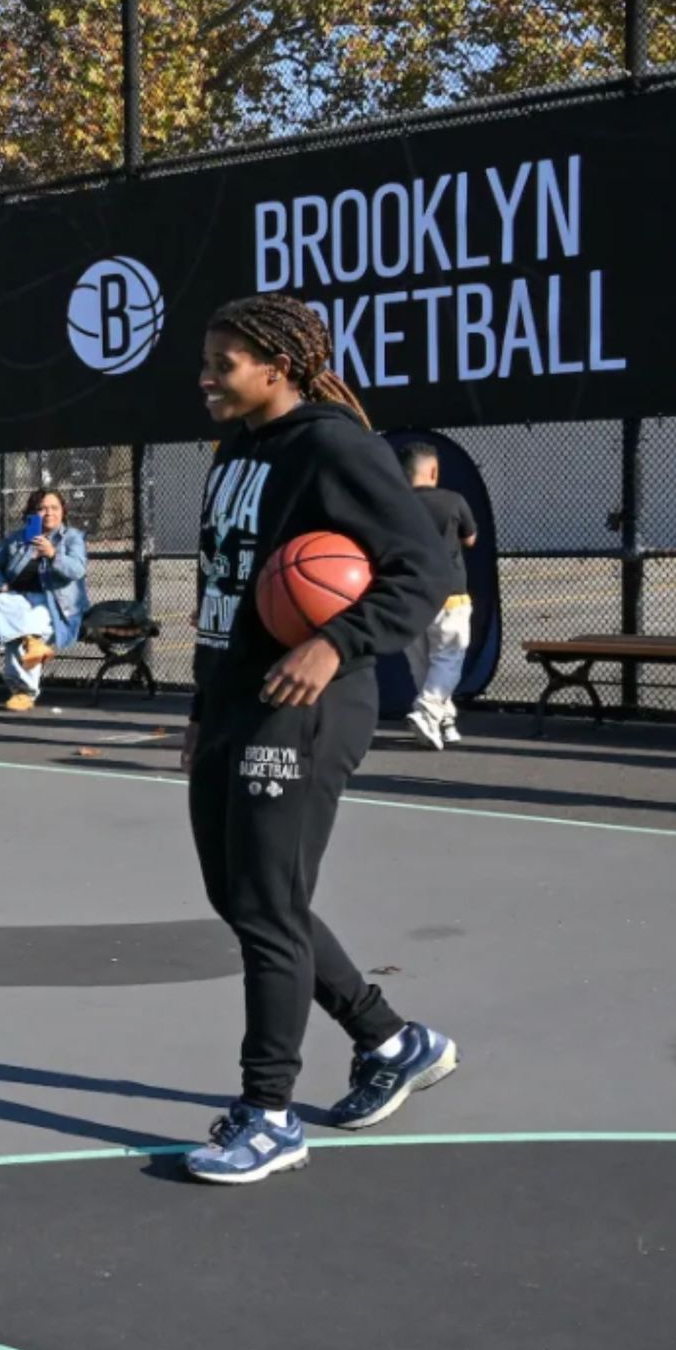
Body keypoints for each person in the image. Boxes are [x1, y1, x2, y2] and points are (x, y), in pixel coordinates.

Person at [182, 292, 460, 1185]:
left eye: (224, 363)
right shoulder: (238, 452)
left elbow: (421, 573)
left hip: (306, 704)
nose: (207, 377)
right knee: (247, 898)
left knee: (266, 906)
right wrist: (202, 706)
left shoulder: (335, 446)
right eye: (208, 361)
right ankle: (393, 1038)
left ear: (278, 366)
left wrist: (333, 640)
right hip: (236, 698)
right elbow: (225, 588)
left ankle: (268, 1115)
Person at [0, 488, 90, 711]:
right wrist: (0, 584)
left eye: (54, 508)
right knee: (0, 602)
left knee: (19, 634)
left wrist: (53, 554)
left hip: (56, 605)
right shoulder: (19, 539)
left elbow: (77, 569)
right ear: (32, 512)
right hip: (19, 600)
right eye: (42, 508)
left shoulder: (72, 538)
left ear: (63, 512)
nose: (49, 513)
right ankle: (33, 644)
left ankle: (23, 691)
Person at [398, 439, 479, 749]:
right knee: (448, 659)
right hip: (449, 595)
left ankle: (443, 720)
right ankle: (428, 711)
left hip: (407, 597)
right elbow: (470, 539)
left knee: (422, 664)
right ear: (432, 471)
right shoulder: (452, 500)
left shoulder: (393, 503)